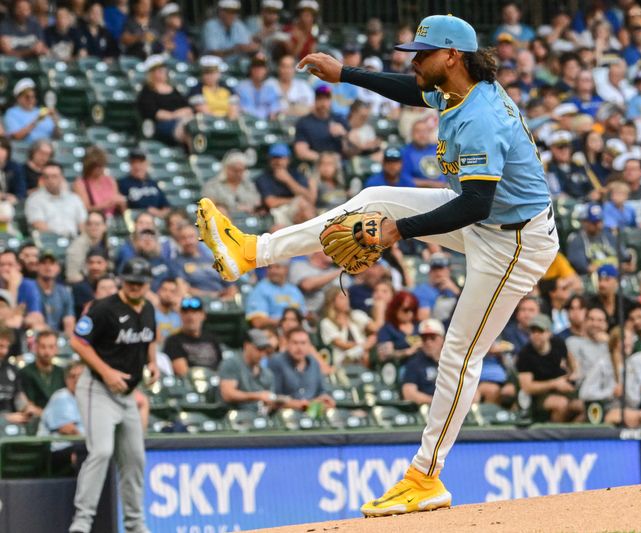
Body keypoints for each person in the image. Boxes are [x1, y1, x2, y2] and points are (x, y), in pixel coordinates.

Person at [197, 14, 558, 516]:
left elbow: (475, 203)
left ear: (452, 55)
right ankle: (252, 252)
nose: (414, 61)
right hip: (490, 220)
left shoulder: (482, 117)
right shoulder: (457, 90)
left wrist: (398, 231)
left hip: (514, 242)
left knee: (459, 353)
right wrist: (344, 73)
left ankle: (426, 476)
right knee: (375, 197)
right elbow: (412, 91)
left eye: (422, 53)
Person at [68, 258, 158, 533]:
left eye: (139, 283)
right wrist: (106, 372)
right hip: (98, 388)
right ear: (122, 280)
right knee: (102, 451)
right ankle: (81, 524)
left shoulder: (149, 308)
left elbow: (149, 338)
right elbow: (77, 340)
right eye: (130, 281)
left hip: (128, 394)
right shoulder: (104, 308)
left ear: (147, 284)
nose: (134, 287)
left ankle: (135, 525)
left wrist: (152, 363)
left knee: (135, 458)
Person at [516, 314, 582, 422]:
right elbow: (527, 387)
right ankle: (556, 435)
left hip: (562, 386)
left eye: (540, 331)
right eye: (533, 331)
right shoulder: (525, 354)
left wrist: (574, 372)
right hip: (537, 396)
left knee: (582, 405)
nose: (536, 335)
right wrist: (555, 383)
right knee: (561, 404)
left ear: (549, 333)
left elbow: (569, 357)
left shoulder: (558, 343)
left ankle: (576, 433)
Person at [135, 54, 193, 146]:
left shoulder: (173, 89)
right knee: (187, 129)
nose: (163, 73)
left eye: (163, 70)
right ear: (151, 73)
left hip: (183, 119)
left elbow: (187, 108)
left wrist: (178, 115)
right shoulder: (147, 92)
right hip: (161, 125)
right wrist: (175, 115)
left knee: (193, 126)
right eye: (159, 71)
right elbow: (156, 113)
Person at [269, 327, 334, 409]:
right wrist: (295, 403)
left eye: (303, 343)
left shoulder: (314, 363)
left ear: (309, 345)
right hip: (286, 413)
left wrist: (324, 398)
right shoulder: (277, 362)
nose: (299, 348)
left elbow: (322, 391)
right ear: (287, 344)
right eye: (295, 343)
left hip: (312, 411)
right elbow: (272, 396)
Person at [255, 143, 317, 227]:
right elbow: (271, 203)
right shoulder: (263, 178)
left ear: (288, 159)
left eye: (281, 158)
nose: (278, 161)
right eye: (274, 157)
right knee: (302, 204)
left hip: (297, 208)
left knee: (307, 209)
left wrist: (288, 180)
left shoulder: (295, 174)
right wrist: (295, 200)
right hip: (276, 212)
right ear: (269, 159)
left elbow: (309, 198)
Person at [218, 328, 278, 411]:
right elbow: (228, 394)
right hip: (233, 416)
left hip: (258, 418)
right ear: (247, 345)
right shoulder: (232, 363)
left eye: (264, 350)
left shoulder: (267, 373)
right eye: (259, 349)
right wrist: (257, 396)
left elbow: (270, 400)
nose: (262, 354)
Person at [163, 296, 222, 376]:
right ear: (180, 315)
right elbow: (183, 372)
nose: (190, 317)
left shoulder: (212, 339)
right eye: (186, 312)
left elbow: (222, 367)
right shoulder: (173, 341)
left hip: (215, 382)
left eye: (195, 312)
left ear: (203, 315)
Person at [319, 286, 375, 368]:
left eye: (347, 297)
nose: (346, 301)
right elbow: (342, 344)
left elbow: (375, 329)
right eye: (342, 298)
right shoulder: (326, 322)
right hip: (342, 359)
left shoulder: (355, 315)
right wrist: (363, 346)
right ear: (332, 301)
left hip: (362, 355)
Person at [293, 85, 349, 163]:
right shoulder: (304, 122)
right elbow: (301, 152)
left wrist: (344, 135)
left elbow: (351, 150)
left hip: (340, 164)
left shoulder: (339, 119)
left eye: (326, 99)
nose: (323, 103)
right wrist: (326, 160)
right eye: (320, 99)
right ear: (315, 100)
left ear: (330, 101)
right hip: (315, 164)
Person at [17, 329, 65, 415]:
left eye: (51, 347)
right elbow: (29, 405)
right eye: (43, 346)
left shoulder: (61, 372)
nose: (47, 352)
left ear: (56, 349)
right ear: (36, 347)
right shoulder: (25, 372)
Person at [401, 318, 446, 405]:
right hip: (425, 410)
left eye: (433, 338)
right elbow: (408, 393)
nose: (428, 342)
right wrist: (436, 403)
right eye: (424, 338)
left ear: (442, 339)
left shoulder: (451, 363)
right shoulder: (414, 363)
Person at [200, 150, 260, 215]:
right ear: (226, 168)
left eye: (241, 170)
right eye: (235, 170)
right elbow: (208, 206)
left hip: (247, 219)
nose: (238, 174)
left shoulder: (249, 185)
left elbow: (257, 203)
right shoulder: (212, 185)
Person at [73, 146, 126, 218]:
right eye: (96, 166)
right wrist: (106, 204)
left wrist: (122, 203)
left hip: (112, 219)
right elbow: (84, 210)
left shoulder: (110, 180)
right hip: (93, 221)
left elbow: (120, 206)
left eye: (102, 166)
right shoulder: (81, 183)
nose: (100, 169)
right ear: (89, 166)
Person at [117, 149, 170, 217]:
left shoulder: (153, 183)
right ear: (130, 164)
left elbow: (166, 207)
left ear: (146, 164)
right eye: (134, 162)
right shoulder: (122, 183)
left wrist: (159, 214)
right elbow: (121, 207)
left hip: (155, 220)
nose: (137, 166)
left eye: (140, 162)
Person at [4, 78, 58, 142]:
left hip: (47, 148)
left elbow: (57, 137)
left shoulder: (43, 110)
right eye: (27, 97)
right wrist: (37, 120)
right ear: (18, 98)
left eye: (33, 96)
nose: (31, 100)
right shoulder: (11, 113)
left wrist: (56, 123)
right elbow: (16, 136)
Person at [36, 251, 75, 335]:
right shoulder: (30, 289)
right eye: (43, 263)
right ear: (37, 266)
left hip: (56, 339)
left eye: (52, 263)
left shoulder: (64, 292)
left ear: (58, 268)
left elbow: (69, 320)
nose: (48, 267)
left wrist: (68, 342)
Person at [189, 55, 239, 119]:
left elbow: (234, 109)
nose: (210, 76)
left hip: (228, 122)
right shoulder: (196, 89)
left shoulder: (227, 88)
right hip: (208, 122)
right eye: (206, 73)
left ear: (219, 73)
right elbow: (204, 111)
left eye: (213, 73)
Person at [236, 54, 282, 120]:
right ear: (250, 69)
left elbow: (274, 111)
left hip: (266, 124)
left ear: (266, 70)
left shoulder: (270, 89)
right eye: (256, 66)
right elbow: (239, 109)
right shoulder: (241, 87)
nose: (258, 70)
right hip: (246, 123)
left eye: (261, 67)